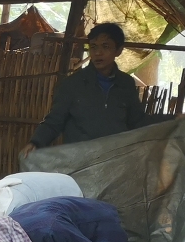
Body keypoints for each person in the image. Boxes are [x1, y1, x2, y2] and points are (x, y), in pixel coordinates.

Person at [25, 22, 148, 152]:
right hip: (80, 162)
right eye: (93, 47)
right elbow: (54, 121)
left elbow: (137, 121)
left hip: (115, 161)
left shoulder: (126, 84)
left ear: (118, 50)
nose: (98, 53)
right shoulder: (72, 84)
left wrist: (170, 121)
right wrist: (36, 142)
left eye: (105, 47)